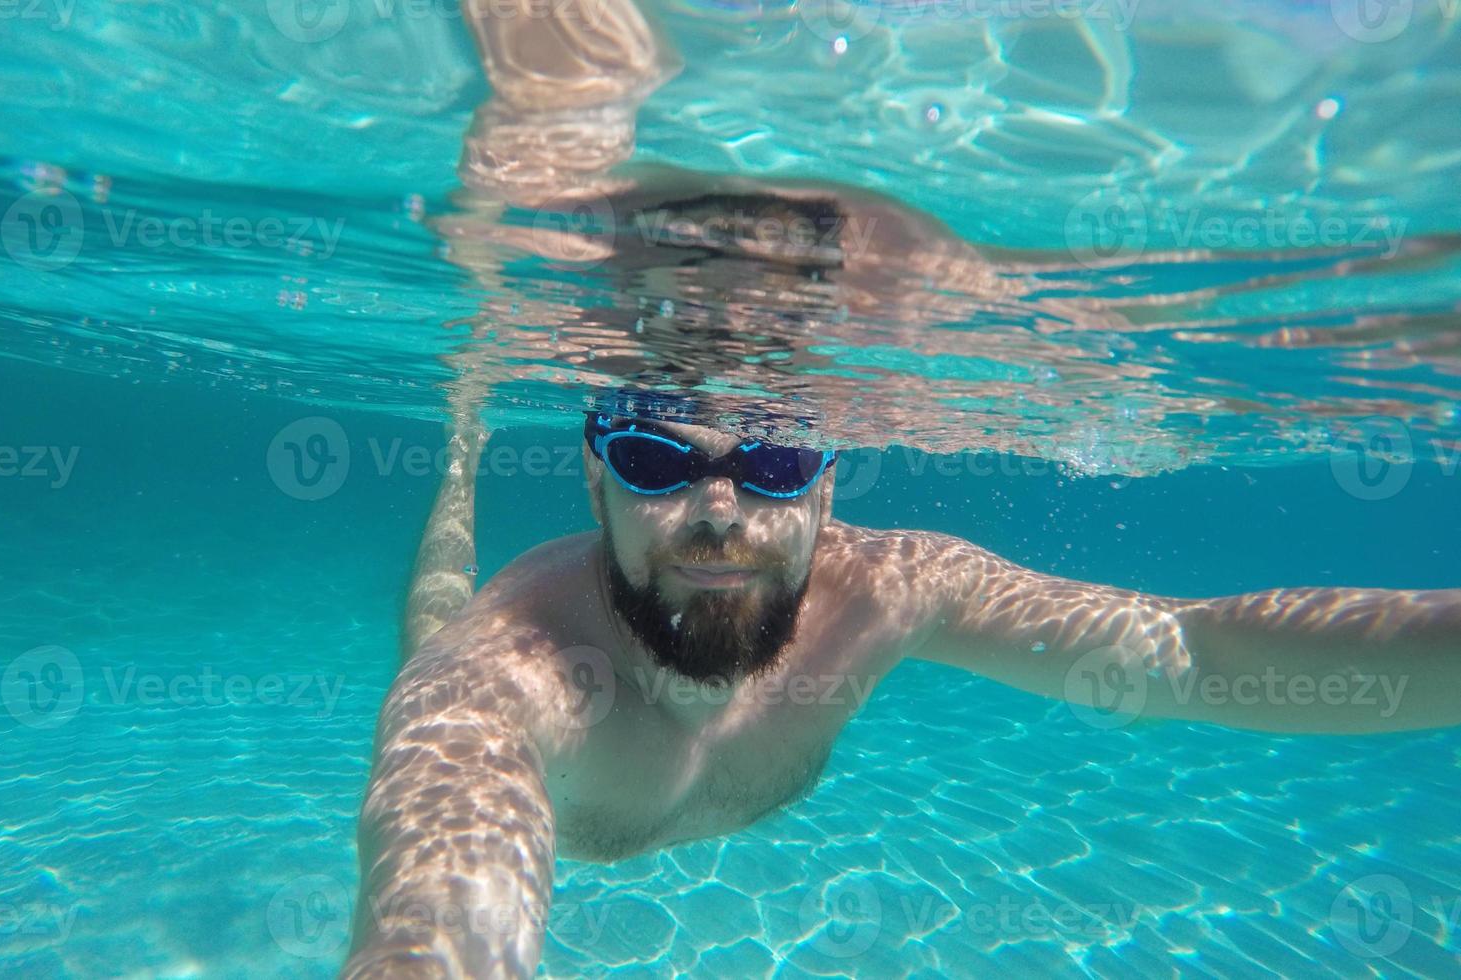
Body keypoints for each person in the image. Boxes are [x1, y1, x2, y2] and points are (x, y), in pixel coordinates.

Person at [344, 2, 1461, 976]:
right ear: (595, 476)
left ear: (829, 483)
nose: (720, 513)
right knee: (436, 626)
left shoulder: (889, 586)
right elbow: (432, 921)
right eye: (654, 459)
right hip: (478, 652)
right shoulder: (493, 686)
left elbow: (1187, 650)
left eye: (776, 465)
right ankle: (456, 462)